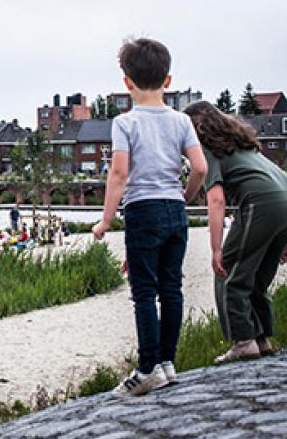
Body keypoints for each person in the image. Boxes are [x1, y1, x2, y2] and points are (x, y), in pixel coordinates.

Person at [92, 38, 207, 396]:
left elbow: (119, 173)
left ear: (127, 82)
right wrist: (184, 198)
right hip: (174, 209)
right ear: (167, 81)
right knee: (171, 287)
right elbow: (200, 168)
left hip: (143, 209)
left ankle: (146, 369)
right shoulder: (182, 121)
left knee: (144, 291)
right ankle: (168, 363)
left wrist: (106, 220)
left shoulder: (125, 123)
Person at [183, 101, 287, 365]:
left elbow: (216, 201)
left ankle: (244, 341)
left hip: (263, 205)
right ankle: (262, 339)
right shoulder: (242, 145)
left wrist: (216, 249)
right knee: (256, 278)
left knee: (228, 274)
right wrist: (280, 237)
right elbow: (265, 183)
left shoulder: (208, 151)